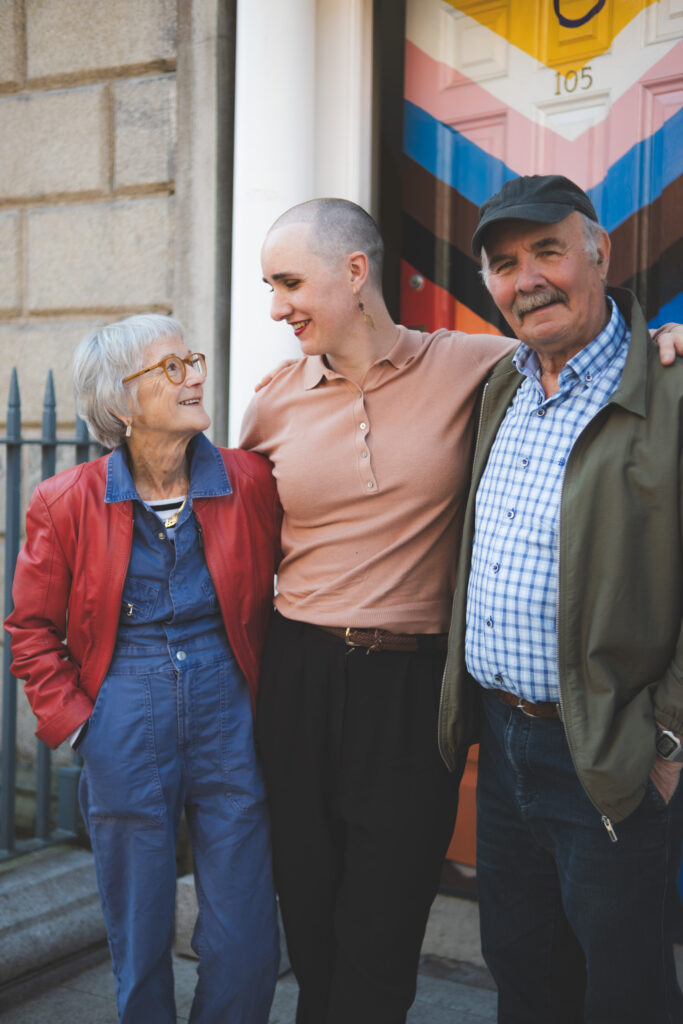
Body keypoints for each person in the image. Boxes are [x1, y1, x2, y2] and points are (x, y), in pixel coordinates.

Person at [239, 197, 683, 1023]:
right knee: (336, 916)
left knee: (402, 926)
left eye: (289, 282)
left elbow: (600, 347)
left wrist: (667, 340)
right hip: (315, 680)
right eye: (503, 266)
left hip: (428, 695)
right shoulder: (276, 401)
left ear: (356, 271)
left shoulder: (479, 368)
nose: (276, 307)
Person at [438, 174, 683, 1023]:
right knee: (522, 968)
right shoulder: (498, 386)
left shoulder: (667, 386)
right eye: (504, 265)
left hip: (608, 752)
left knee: (623, 986)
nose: (528, 279)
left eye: (547, 251)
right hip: (503, 746)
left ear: (599, 253)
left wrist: (666, 742)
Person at [5, 315, 282, 1023]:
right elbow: (31, 629)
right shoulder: (63, 501)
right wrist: (77, 727)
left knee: (246, 933)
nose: (193, 374)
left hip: (229, 710)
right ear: (122, 407)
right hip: (123, 712)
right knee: (138, 928)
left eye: (191, 360)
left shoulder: (250, 480)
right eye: (169, 367)